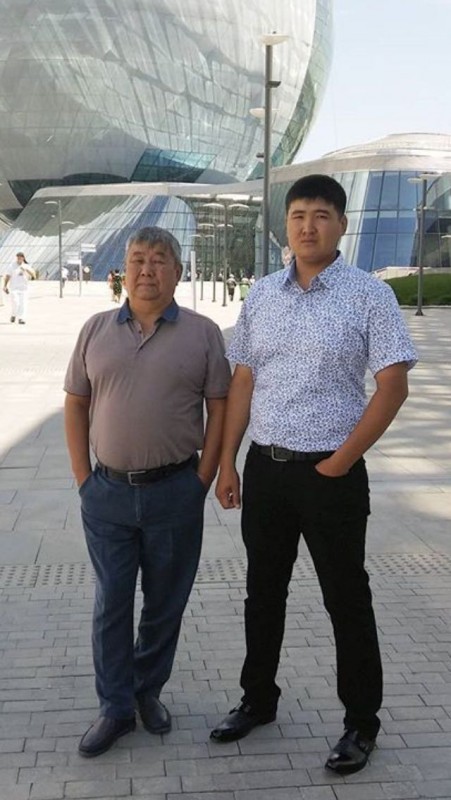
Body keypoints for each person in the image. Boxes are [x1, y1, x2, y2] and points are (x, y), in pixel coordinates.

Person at [210, 175, 417, 775]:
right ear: (286, 225)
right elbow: (243, 379)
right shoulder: (263, 294)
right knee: (262, 593)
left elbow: (392, 385)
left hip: (332, 474)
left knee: (346, 598)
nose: (308, 226)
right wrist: (227, 461)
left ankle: (361, 722)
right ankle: (257, 699)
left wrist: (342, 461)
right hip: (266, 470)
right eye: (298, 215)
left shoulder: (370, 296)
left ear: (341, 225)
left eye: (321, 215)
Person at [64, 226, 230, 758]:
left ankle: (146, 690)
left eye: (159, 260)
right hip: (108, 494)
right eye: (137, 259)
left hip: (175, 491)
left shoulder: (204, 334)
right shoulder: (94, 330)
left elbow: (220, 408)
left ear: (177, 272)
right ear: (123, 269)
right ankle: (115, 708)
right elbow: (76, 402)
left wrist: (203, 479)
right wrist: (84, 480)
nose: (147, 269)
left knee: (165, 603)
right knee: (111, 603)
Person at [3, 252, 35, 324]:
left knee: (23, 304)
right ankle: (13, 315)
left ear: (23, 258)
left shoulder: (26, 266)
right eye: (18, 256)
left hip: (24, 289)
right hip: (14, 288)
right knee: (15, 302)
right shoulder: (12, 266)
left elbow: (33, 276)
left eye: (21, 256)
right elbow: (8, 276)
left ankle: (21, 318)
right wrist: (5, 286)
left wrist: (26, 270)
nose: (19, 258)